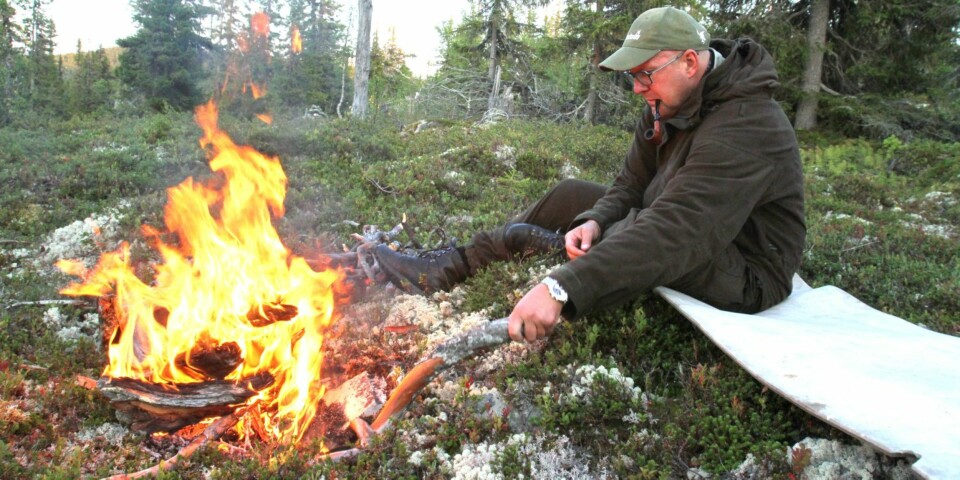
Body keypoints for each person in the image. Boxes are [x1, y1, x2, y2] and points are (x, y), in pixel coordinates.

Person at [373, 6, 805, 344]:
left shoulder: (748, 124)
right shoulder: (665, 103)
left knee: (632, 229)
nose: (637, 87)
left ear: (689, 63)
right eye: (632, 77)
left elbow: (680, 230)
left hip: (747, 268)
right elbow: (631, 184)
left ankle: (540, 253)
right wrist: (595, 219)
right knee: (573, 195)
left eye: (644, 74)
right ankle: (448, 267)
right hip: (677, 224)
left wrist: (564, 288)